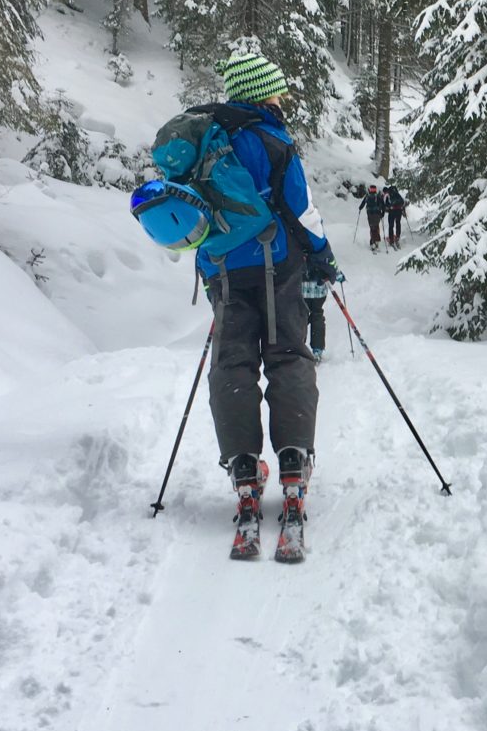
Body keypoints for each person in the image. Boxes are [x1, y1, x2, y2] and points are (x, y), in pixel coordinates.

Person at [132, 53, 342, 560]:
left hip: (222, 271)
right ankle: (293, 467)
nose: (281, 99)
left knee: (233, 363)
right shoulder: (273, 139)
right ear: (261, 92)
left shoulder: (204, 138)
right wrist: (322, 255)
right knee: (289, 355)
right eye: (276, 91)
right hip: (279, 265)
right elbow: (299, 208)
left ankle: (246, 473)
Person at [301, 252, 329, 362]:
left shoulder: (294, 241)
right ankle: (317, 349)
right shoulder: (318, 241)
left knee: (300, 316)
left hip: (301, 288)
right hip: (318, 288)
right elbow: (328, 259)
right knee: (317, 315)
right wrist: (336, 273)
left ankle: (299, 346)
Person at [359, 184, 385, 251]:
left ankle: (373, 242)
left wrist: (360, 208)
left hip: (370, 214)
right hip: (377, 214)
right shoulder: (378, 196)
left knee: (372, 227)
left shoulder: (367, 196)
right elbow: (383, 204)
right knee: (376, 227)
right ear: (375, 190)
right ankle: (376, 241)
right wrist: (383, 213)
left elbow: (363, 203)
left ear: (370, 189)